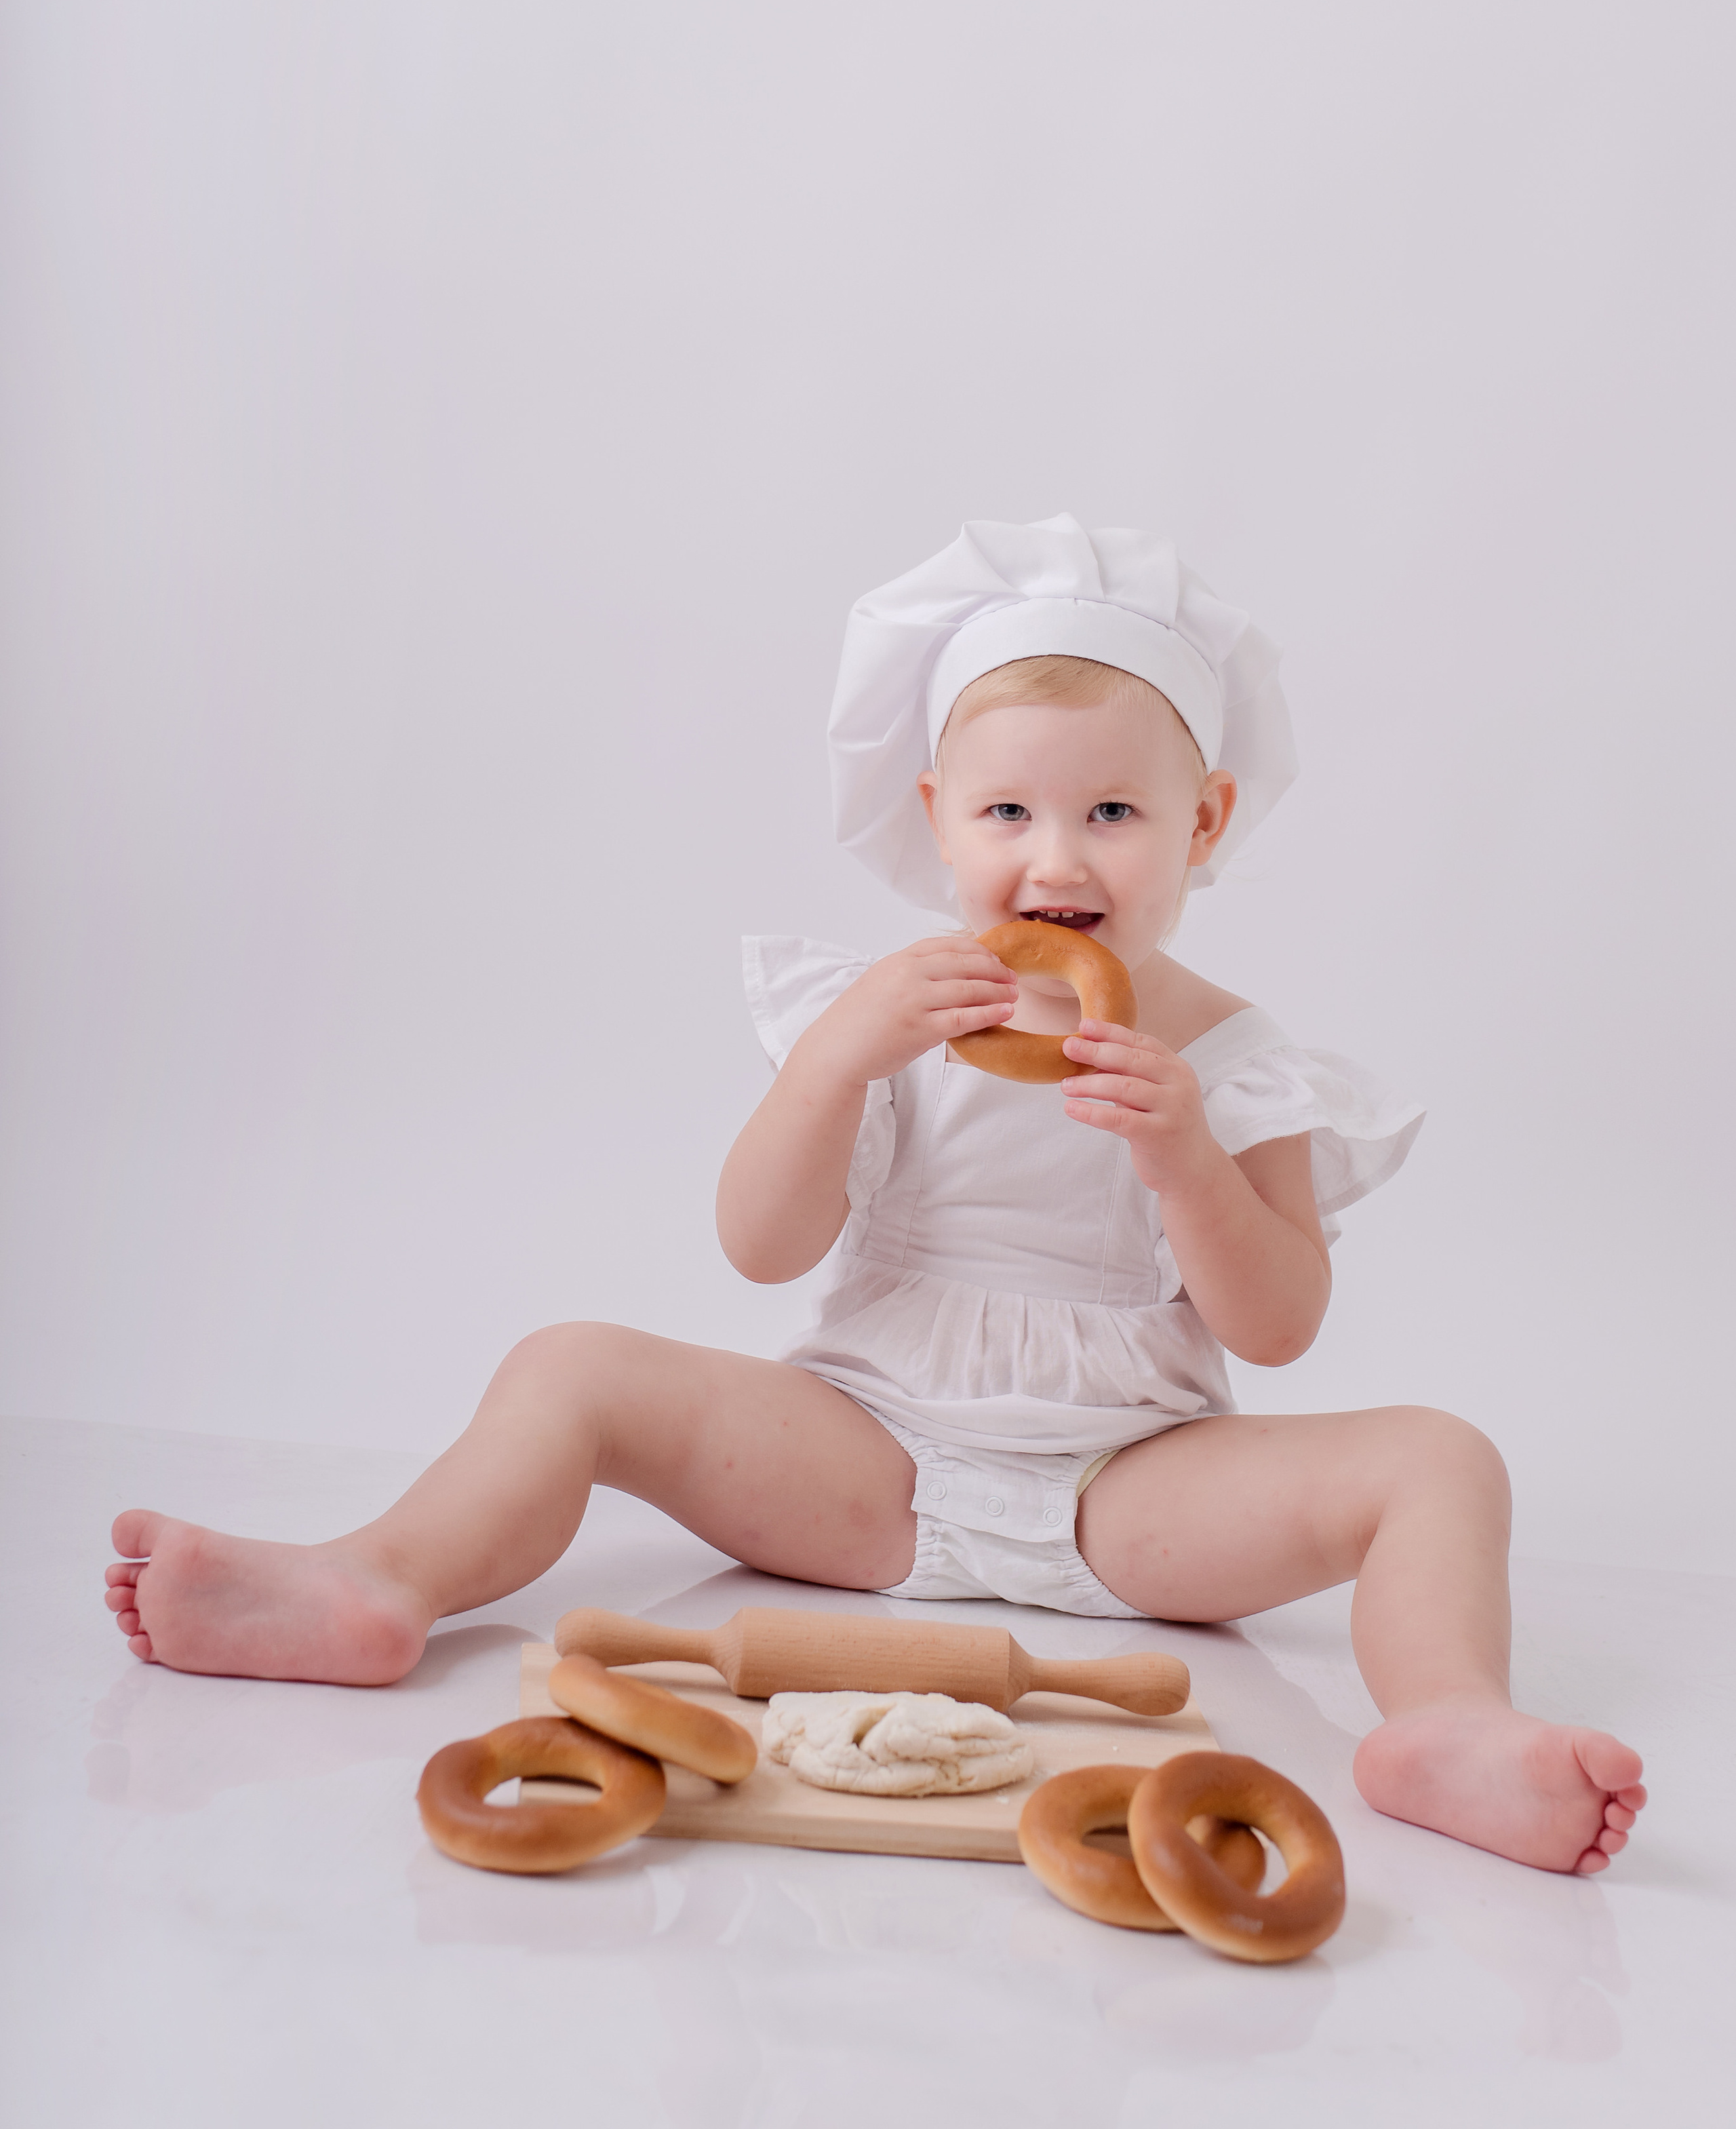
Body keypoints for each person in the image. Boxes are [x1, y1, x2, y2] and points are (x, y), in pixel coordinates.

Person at [103, 514, 1645, 1875]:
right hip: (867, 1464)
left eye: (1113, 813)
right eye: (1007, 815)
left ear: (1205, 824)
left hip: (1128, 1493)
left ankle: (1445, 1725)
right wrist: (828, 1068)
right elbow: (760, 1249)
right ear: (934, 817)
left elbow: (1282, 1324)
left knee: (1441, 1459)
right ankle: (375, 1582)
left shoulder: (1228, 1062)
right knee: (569, 1363)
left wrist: (1180, 1154)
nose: (1059, 856)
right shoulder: (891, 1017)